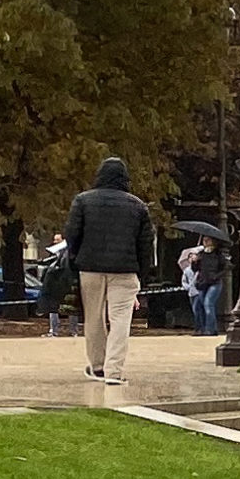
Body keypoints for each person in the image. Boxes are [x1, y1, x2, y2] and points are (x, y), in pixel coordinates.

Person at [57, 158, 152, 383]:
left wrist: (76, 259)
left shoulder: (83, 201)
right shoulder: (137, 206)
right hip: (125, 269)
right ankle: (114, 371)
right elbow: (145, 244)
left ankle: (97, 365)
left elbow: (71, 234)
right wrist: (142, 274)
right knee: (120, 320)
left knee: (94, 318)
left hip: (90, 267)